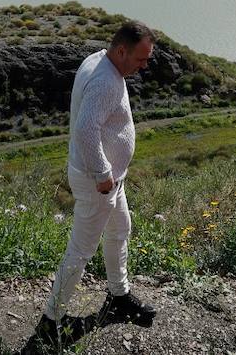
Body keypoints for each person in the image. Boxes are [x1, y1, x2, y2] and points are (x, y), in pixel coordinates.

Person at [32, 20, 158, 347]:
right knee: (81, 250)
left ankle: (118, 295)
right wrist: (103, 175)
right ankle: (51, 320)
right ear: (120, 51)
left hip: (111, 181)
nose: (144, 66)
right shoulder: (107, 82)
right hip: (98, 183)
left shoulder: (99, 60)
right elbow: (86, 130)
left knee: (120, 229)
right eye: (141, 59)